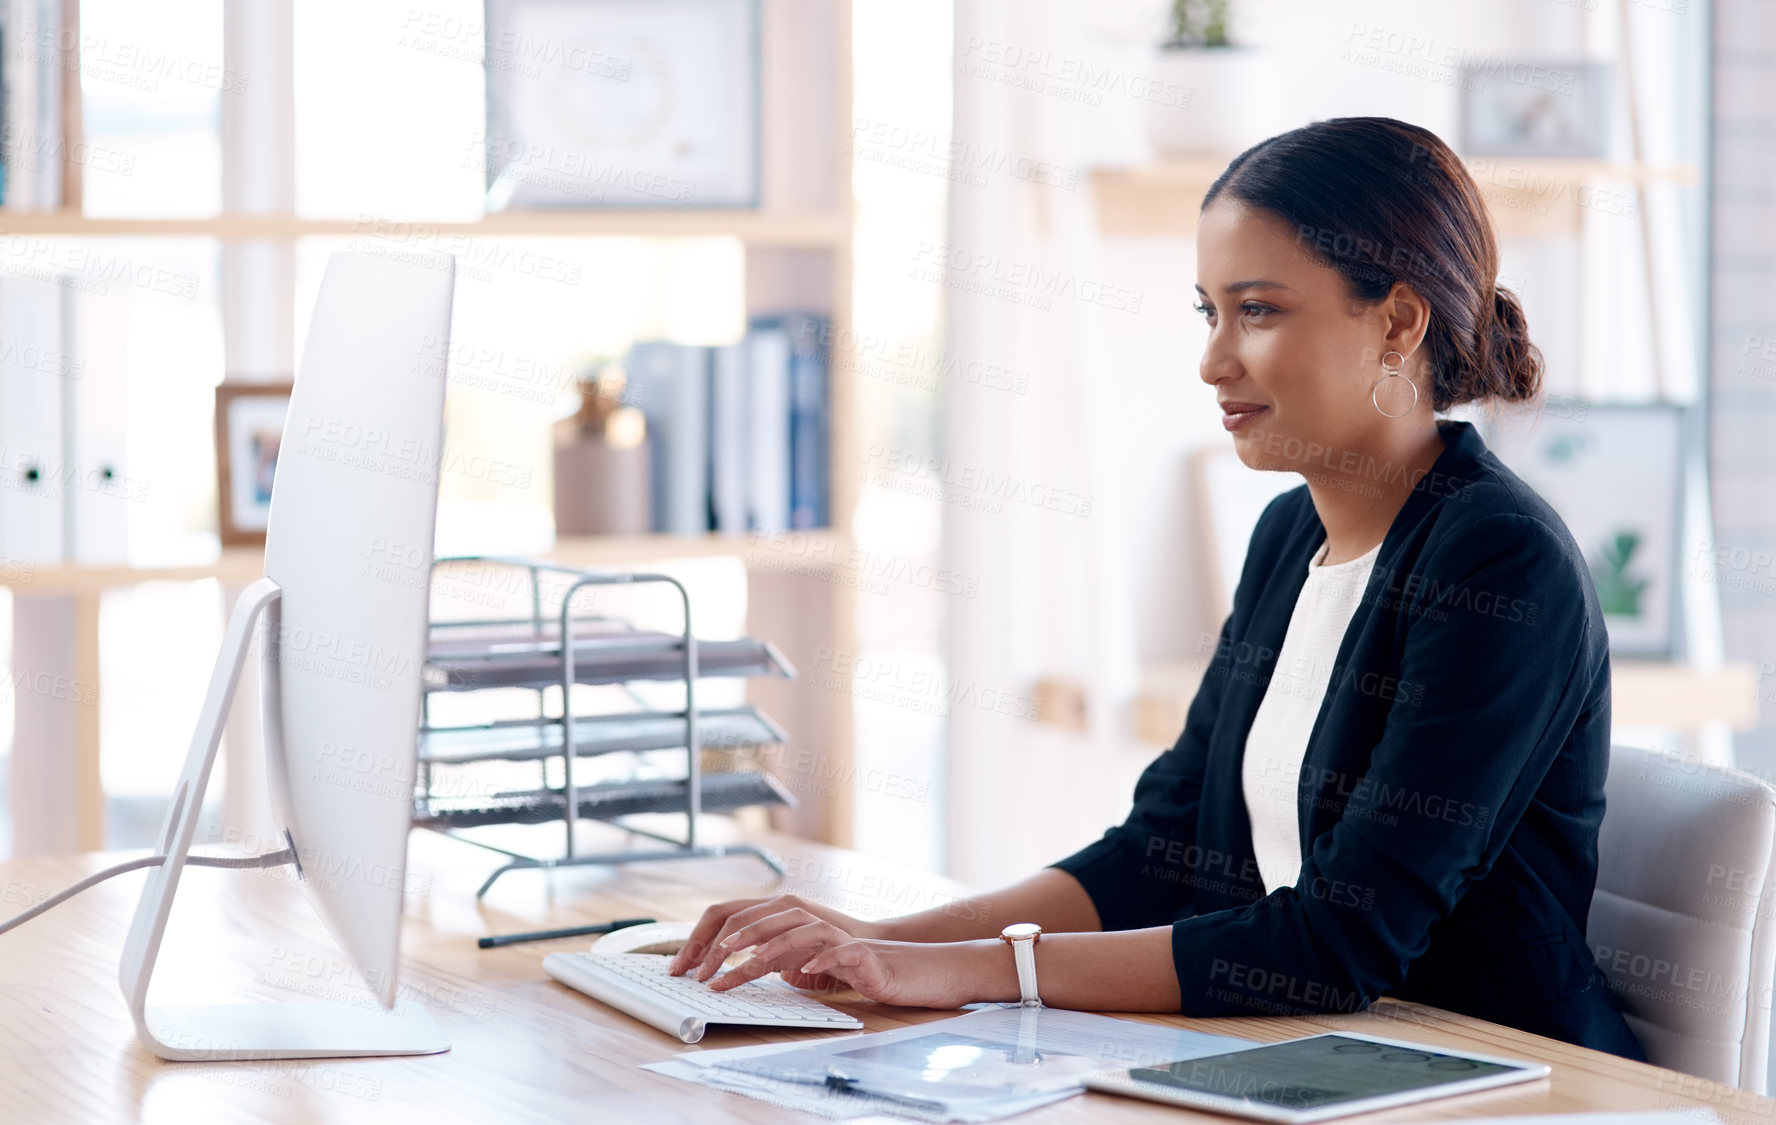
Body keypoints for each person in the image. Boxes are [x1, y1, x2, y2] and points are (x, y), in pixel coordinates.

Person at [667, 116, 1646, 1062]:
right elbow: (1163, 853)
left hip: (1498, 1081)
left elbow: (1336, 947)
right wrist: (877, 945)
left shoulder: (1497, 558)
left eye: (1257, 310)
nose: (1214, 361)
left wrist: (960, 970)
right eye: (1208, 312)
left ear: (1396, 322)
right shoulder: (1289, 534)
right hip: (1324, 1061)